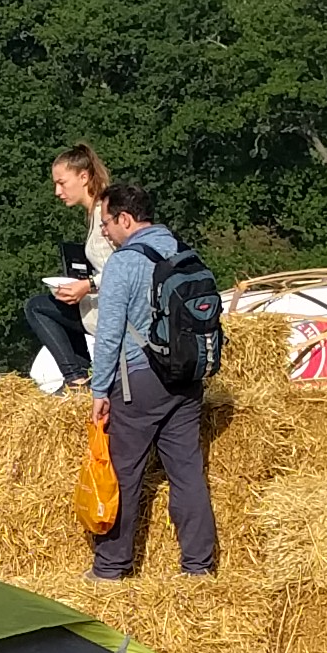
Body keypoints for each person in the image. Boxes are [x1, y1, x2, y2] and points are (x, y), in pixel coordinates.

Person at [83, 182, 217, 579]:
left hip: (138, 381)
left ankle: (111, 567)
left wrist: (99, 389)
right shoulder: (180, 249)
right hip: (187, 378)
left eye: (107, 223)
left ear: (125, 218)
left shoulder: (124, 263)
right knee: (187, 474)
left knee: (124, 472)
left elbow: (109, 334)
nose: (104, 231)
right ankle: (198, 566)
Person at [21, 142, 110, 385]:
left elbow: (124, 267)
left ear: (83, 177)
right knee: (60, 300)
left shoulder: (105, 216)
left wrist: (87, 285)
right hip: (103, 306)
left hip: (111, 314)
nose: (57, 192)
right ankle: (80, 376)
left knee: (36, 307)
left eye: (62, 182)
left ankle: (76, 378)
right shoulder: (96, 213)